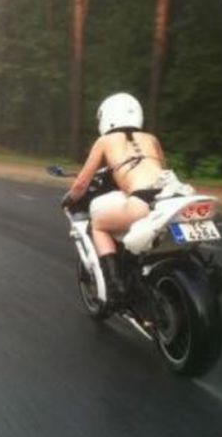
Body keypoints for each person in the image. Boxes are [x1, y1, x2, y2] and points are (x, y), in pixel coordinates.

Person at [62, 92, 191, 304]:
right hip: (173, 195)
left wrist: (69, 199)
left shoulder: (104, 140)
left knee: (98, 225)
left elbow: (81, 184)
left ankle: (115, 285)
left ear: (106, 117)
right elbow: (161, 168)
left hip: (143, 200)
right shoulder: (152, 139)